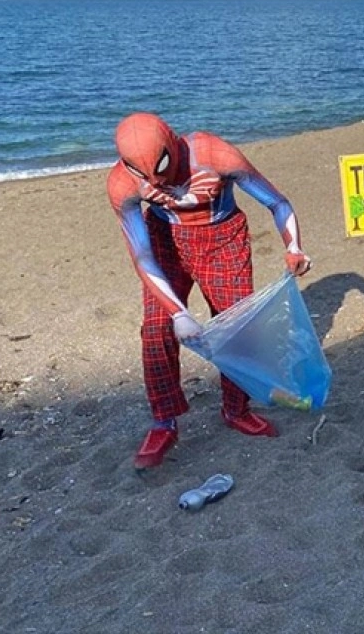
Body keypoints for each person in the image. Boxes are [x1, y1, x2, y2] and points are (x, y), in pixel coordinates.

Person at [107, 112, 312, 469]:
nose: (159, 182)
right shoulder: (123, 184)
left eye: (163, 168)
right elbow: (141, 255)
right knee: (156, 330)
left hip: (222, 238)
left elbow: (277, 202)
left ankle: (235, 408)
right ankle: (164, 421)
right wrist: (178, 313)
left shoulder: (215, 155)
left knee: (236, 325)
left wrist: (293, 246)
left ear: (172, 145)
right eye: (147, 176)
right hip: (165, 242)